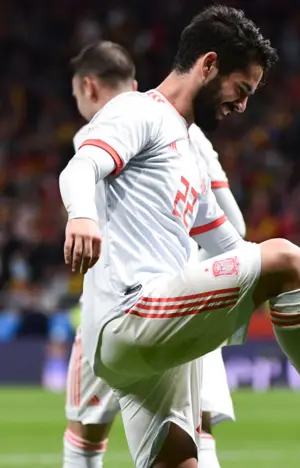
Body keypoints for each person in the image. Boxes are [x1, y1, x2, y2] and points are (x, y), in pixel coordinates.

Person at [58, 6, 300, 468]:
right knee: (284, 258)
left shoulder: (187, 151)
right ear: (208, 65)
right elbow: (81, 166)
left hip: (144, 339)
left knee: (181, 461)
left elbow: (236, 249)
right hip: (133, 311)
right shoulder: (139, 110)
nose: (243, 105)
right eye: (240, 88)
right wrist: (82, 217)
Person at [63, 40, 240, 468]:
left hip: (118, 304)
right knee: (193, 434)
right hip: (190, 296)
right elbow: (236, 227)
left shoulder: (96, 132)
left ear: (88, 87)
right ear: (137, 85)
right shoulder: (192, 136)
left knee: (85, 433)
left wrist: (82, 216)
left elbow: (80, 173)